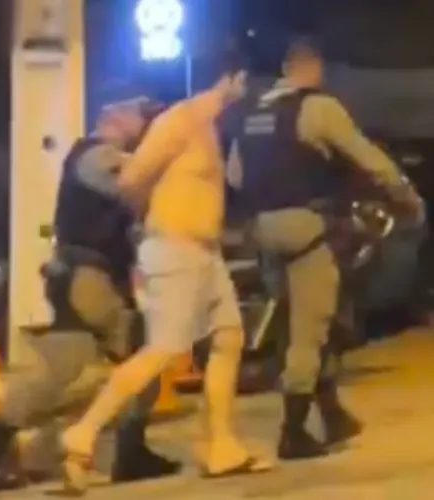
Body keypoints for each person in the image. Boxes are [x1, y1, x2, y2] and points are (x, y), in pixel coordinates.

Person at [59, 50, 272, 495]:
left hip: (203, 252)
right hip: (175, 249)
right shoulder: (180, 120)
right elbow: (130, 180)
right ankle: (82, 434)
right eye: (244, 81)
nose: (249, 91)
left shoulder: (208, 126)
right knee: (161, 350)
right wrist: (153, 221)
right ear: (229, 79)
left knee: (228, 338)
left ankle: (222, 446)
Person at [0, 96, 181, 491]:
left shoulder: (86, 155)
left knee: (56, 374)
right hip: (91, 281)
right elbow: (137, 183)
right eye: (141, 116)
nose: (146, 126)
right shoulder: (99, 156)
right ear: (117, 116)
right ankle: (130, 452)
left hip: (74, 279)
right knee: (145, 356)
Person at [227, 38, 425, 460]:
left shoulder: (252, 114)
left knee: (297, 323)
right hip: (306, 228)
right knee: (310, 329)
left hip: (262, 228)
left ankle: (333, 414)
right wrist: (406, 197)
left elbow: (236, 176)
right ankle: (293, 433)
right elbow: (368, 158)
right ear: (313, 68)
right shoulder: (317, 108)